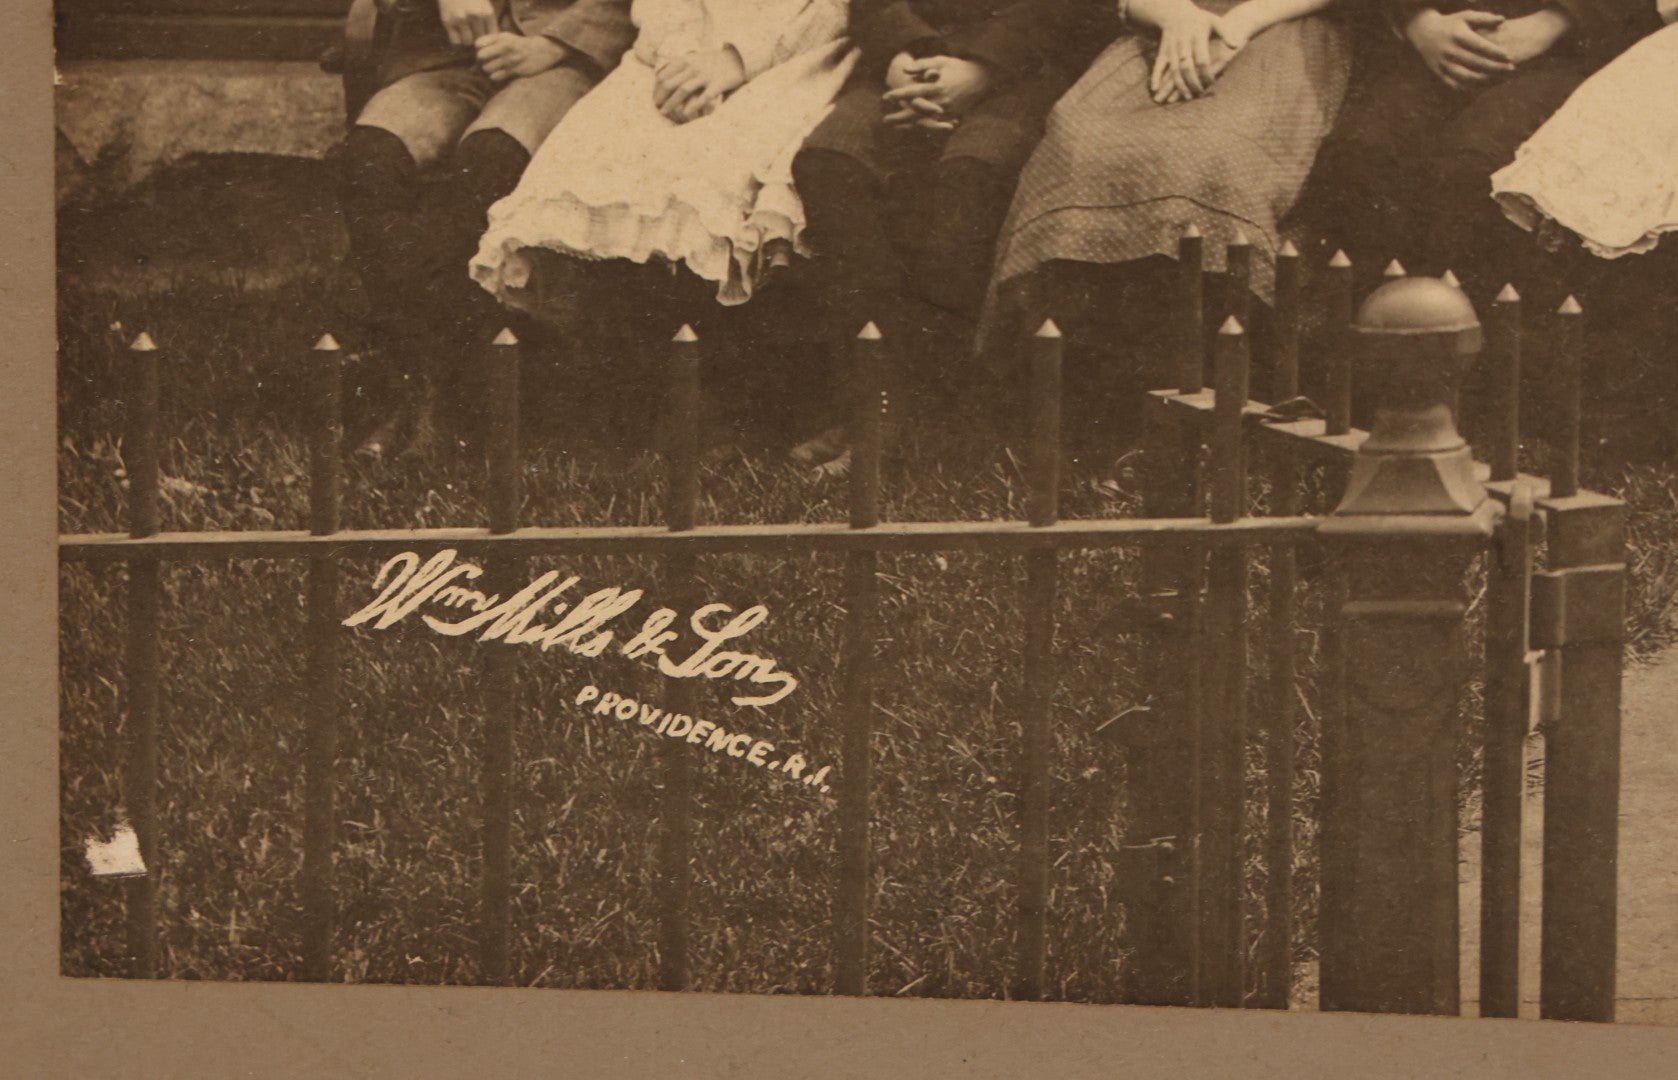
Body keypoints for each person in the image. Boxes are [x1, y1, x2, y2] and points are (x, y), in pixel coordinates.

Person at [980, 0, 1351, 442]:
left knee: (1211, 157)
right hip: (1161, 31)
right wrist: (1173, 14)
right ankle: (1087, 406)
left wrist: (1238, 26)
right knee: (1083, 147)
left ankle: (1207, 407)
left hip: (1283, 27)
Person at [785, 0, 1104, 472]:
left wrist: (981, 69)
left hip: (1023, 69)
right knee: (834, 160)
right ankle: (875, 401)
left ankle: (947, 409)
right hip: (910, 66)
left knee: (970, 174)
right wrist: (903, 57)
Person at [335, 0, 636, 461]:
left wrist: (555, 44)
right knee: (370, 158)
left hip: (563, 61)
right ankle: (414, 377)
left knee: (490, 161)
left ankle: (464, 393)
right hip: (445, 60)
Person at [471, 0, 855, 312]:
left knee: (718, 182)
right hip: (678, 54)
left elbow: (835, 11)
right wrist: (680, 57)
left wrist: (737, 60)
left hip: (794, 58)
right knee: (600, 170)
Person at [1307, 0, 1658, 309]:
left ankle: (1464, 345)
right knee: (1364, 152)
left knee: (1474, 165)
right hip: (1441, 41)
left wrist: (1552, 22)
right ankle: (1376, 338)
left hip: (1566, 52)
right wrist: (1419, 19)